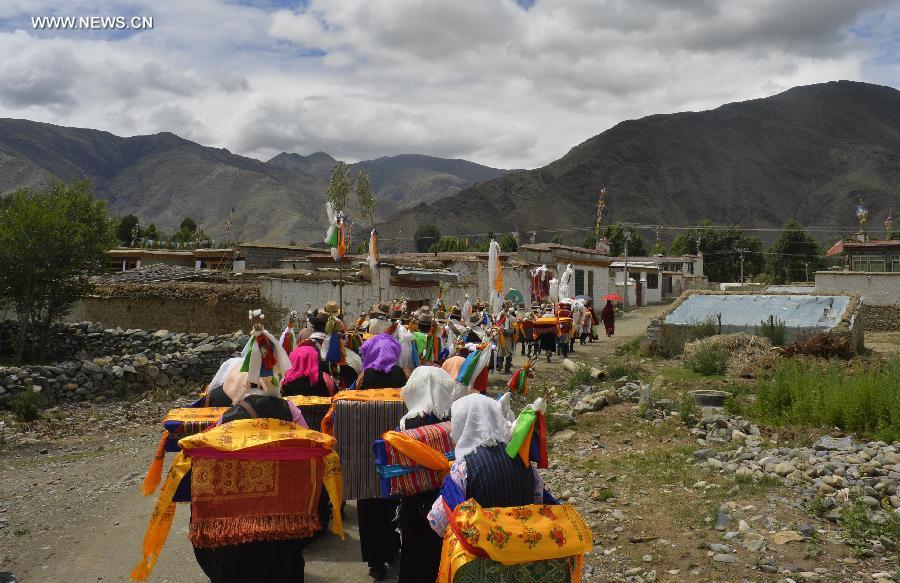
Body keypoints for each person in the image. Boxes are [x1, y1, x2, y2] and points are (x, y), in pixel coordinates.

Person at [193, 382, 310, 583]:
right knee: (284, 560)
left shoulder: (230, 416)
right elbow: (307, 446)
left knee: (238, 563)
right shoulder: (290, 411)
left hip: (240, 518)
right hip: (282, 511)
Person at [427, 394, 545, 536]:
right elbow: (538, 501)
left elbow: (437, 521)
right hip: (524, 546)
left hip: (483, 552)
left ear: (463, 424)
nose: (452, 432)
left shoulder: (464, 468)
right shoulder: (522, 457)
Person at [395, 367, 456, 583]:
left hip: (415, 502)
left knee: (415, 557)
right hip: (450, 501)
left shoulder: (407, 423)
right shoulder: (453, 418)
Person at [355, 333, 407, 579]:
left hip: (366, 453)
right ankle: (393, 548)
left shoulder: (363, 379)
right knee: (393, 502)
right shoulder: (402, 377)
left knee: (368, 505)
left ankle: (375, 561)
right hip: (394, 452)